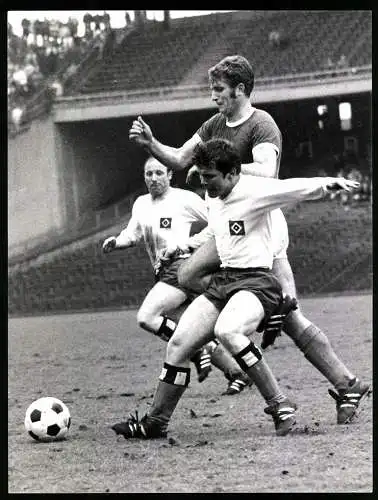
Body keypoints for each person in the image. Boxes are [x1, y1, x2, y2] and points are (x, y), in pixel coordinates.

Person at [128, 54, 371, 425]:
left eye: (219, 90)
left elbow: (268, 174)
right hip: (228, 227)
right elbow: (178, 159)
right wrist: (152, 144)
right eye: (212, 89)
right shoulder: (214, 124)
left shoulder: (261, 125)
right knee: (189, 274)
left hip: (261, 226)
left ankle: (342, 381)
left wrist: (220, 169)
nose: (214, 96)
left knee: (289, 313)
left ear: (240, 90)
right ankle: (242, 309)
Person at [112, 138, 362, 440]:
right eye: (202, 177)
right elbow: (214, 232)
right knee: (178, 344)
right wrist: (183, 246)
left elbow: (294, 187)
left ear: (232, 173)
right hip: (224, 281)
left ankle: (280, 405)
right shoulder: (214, 198)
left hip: (257, 281)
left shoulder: (254, 191)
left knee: (227, 331)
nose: (205, 184)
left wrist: (330, 183)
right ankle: (155, 422)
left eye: (210, 178)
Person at [102, 156, 253, 394]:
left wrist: (195, 246)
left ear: (170, 175)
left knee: (146, 317)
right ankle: (237, 373)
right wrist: (116, 242)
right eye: (149, 174)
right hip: (162, 273)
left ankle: (199, 352)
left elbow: (217, 218)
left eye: (159, 173)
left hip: (180, 267)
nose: (153, 178)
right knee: (190, 329)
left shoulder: (183, 199)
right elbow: (132, 234)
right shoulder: (141, 203)